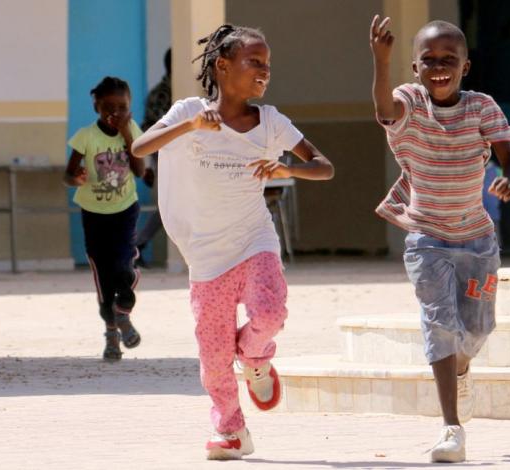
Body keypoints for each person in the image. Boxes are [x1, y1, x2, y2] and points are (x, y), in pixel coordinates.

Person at [132, 24, 334, 460]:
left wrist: (289, 170)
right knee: (213, 355)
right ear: (223, 67)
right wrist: (187, 126)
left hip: (253, 239)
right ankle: (231, 429)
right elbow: (140, 145)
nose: (264, 71)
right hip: (206, 256)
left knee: (271, 312)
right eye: (254, 63)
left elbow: (324, 165)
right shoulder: (190, 111)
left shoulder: (271, 122)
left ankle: (256, 355)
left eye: (267, 65)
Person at [370, 16, 510, 463]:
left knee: (476, 329)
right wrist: (380, 62)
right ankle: (450, 429)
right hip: (426, 238)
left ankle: (462, 369)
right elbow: (384, 108)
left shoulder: (482, 107)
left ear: (465, 66)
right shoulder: (409, 102)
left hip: (477, 240)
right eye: (429, 60)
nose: (438, 68)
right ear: (415, 67)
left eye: (448, 60)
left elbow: (509, 158)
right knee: (439, 323)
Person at [63, 76, 145, 361]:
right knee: (105, 279)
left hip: (124, 210)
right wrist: (77, 177)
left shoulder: (131, 129)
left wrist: (127, 134)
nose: (116, 114)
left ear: (129, 106)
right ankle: (112, 335)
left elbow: (140, 170)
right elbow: (68, 173)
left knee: (125, 266)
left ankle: (123, 313)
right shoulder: (86, 136)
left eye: (122, 107)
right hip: (94, 215)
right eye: (108, 107)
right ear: (96, 106)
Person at [134, 48, 171, 267]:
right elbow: (150, 130)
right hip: (165, 158)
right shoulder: (162, 94)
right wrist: (149, 166)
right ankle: (137, 245)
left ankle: (139, 244)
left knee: (169, 207)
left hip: (175, 159)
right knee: (168, 206)